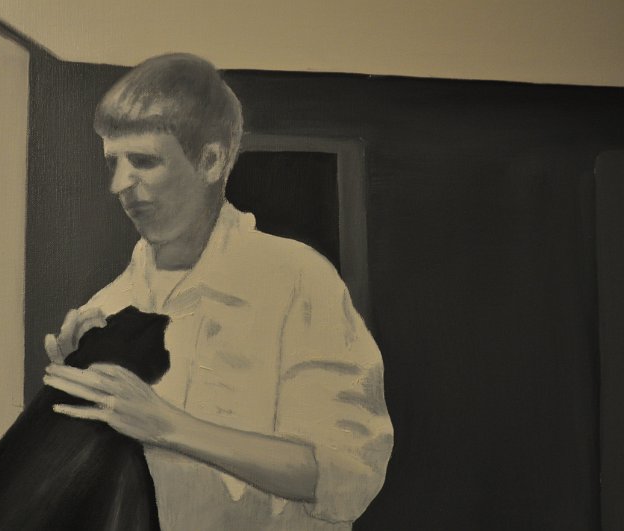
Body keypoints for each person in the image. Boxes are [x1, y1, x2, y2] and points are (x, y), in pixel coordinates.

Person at [42, 53, 393, 531]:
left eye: (143, 161)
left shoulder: (297, 279)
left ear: (210, 161)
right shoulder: (106, 304)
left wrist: (166, 425)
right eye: (113, 162)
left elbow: (348, 476)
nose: (119, 184)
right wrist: (73, 387)